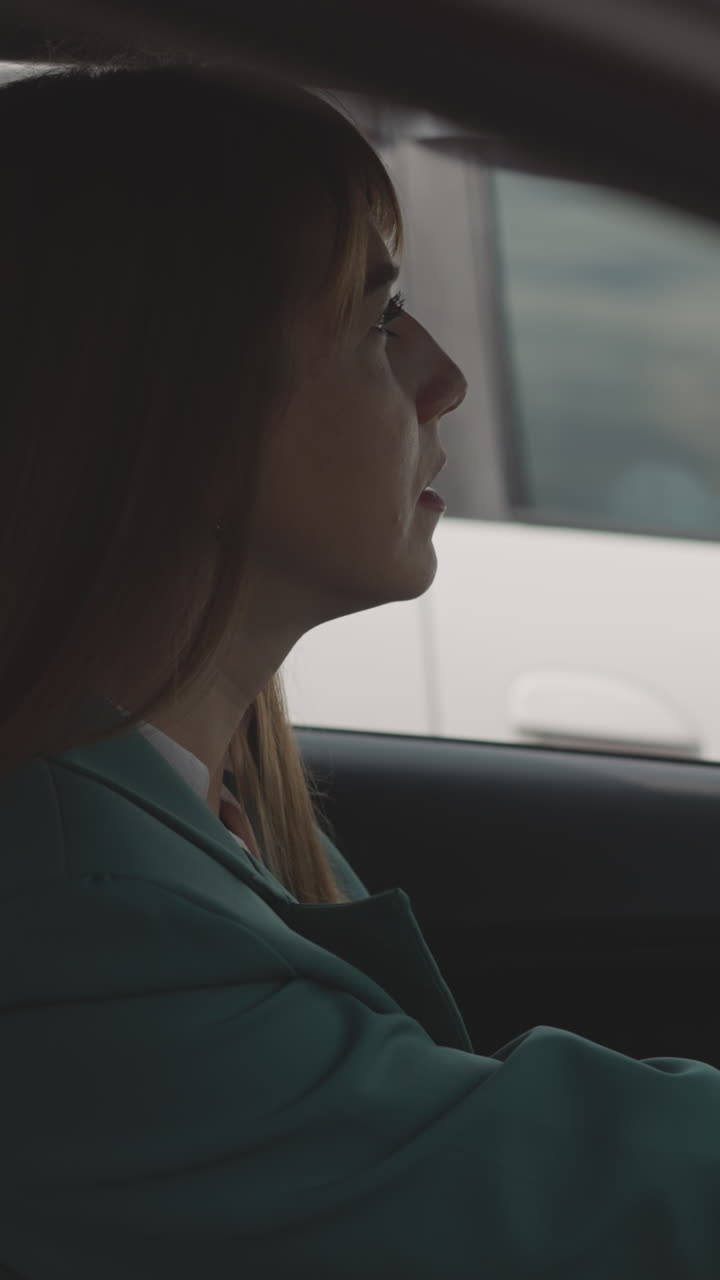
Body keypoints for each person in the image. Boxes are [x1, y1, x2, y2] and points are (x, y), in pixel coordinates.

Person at [0, 59, 718, 1280]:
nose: (443, 376)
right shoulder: (77, 918)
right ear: (175, 398)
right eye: (379, 317)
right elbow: (592, 1198)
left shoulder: (172, 801)